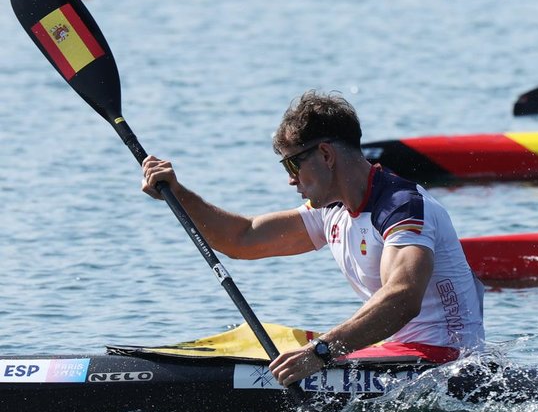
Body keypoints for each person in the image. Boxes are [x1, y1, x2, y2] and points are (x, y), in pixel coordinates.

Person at [141, 90, 485, 386]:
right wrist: (179, 193)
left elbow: (403, 297)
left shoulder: (401, 207)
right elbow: (242, 239)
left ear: (325, 155)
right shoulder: (332, 210)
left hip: (444, 362)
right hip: (396, 354)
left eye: (292, 165)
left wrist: (320, 352)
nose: (291, 180)